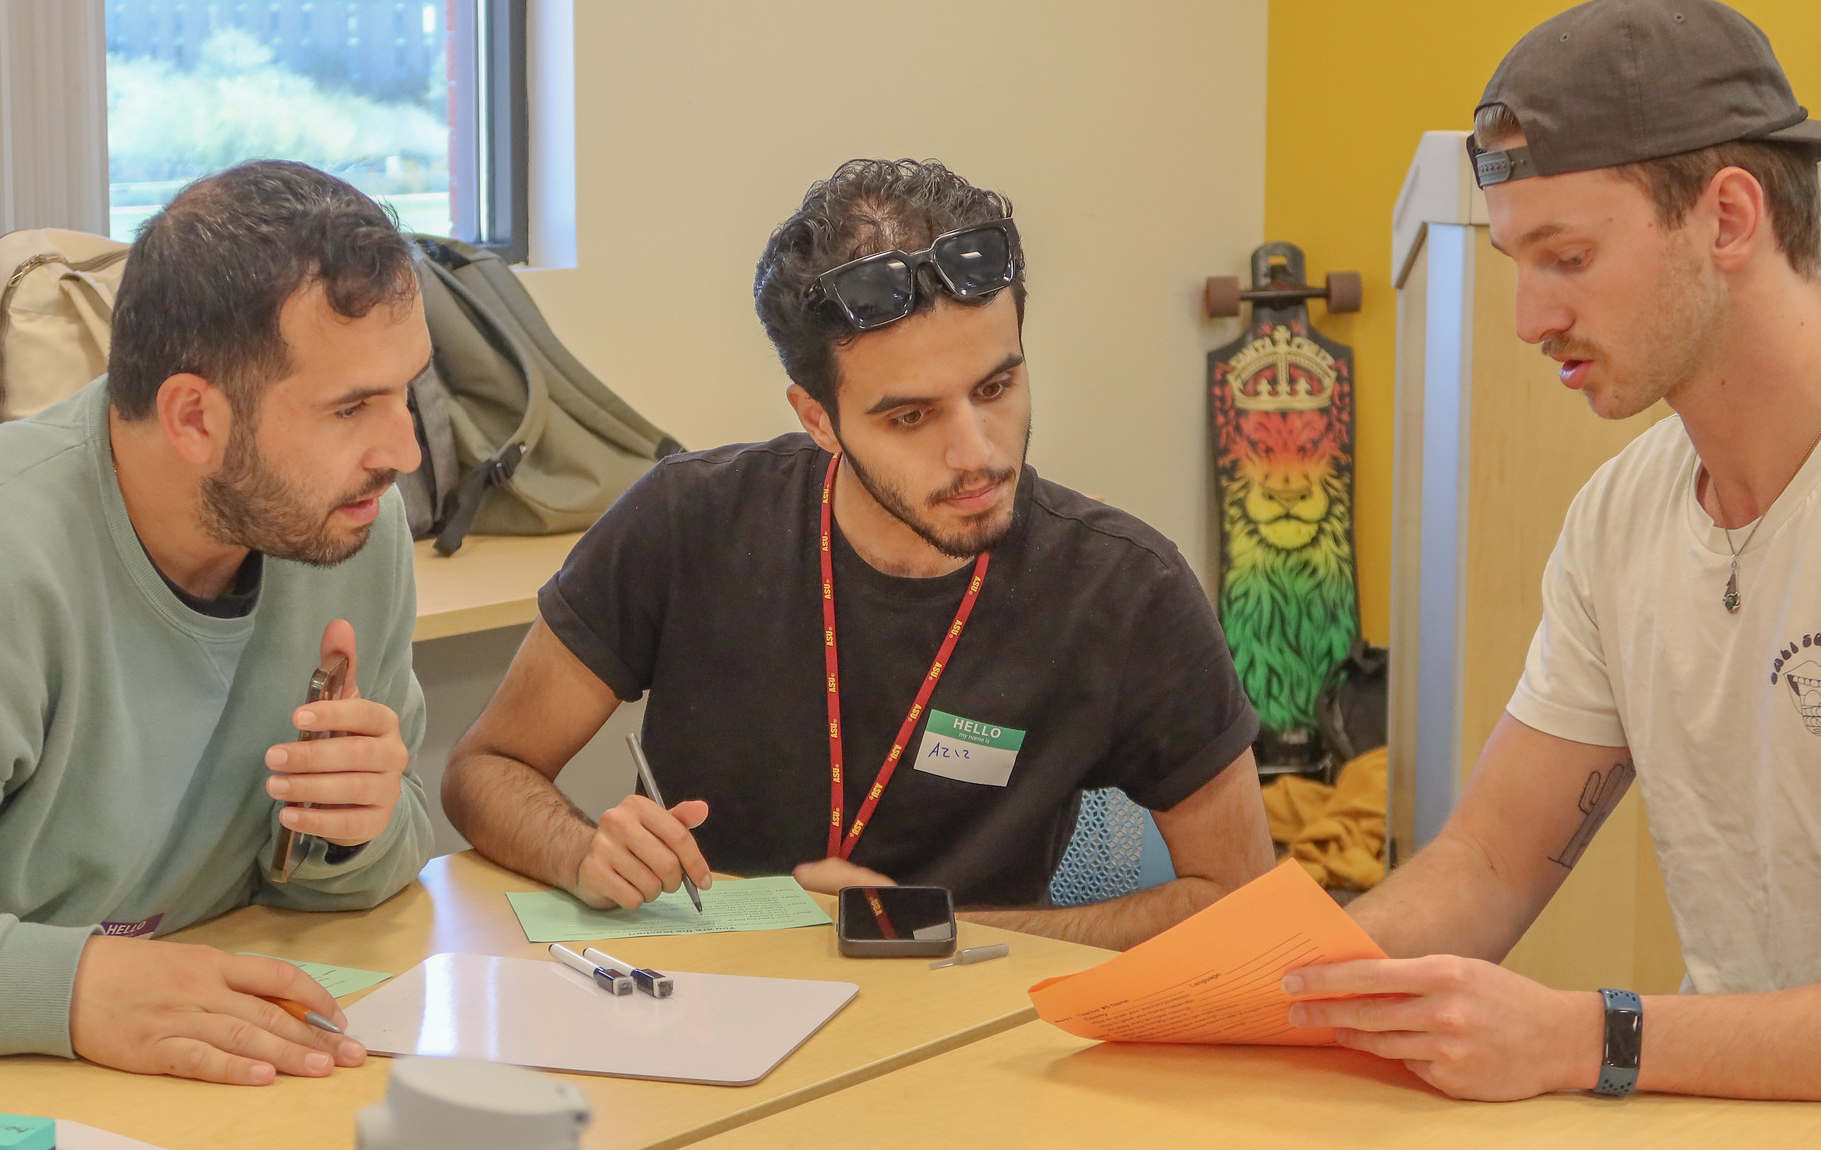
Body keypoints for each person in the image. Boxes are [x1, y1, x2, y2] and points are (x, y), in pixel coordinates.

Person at [1282, 0, 1821, 1107]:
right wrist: (1258, 992)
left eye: (1564, 256)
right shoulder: (1616, 519)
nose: (1525, 317)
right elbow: (1484, 866)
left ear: (1726, 218)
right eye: (1519, 259)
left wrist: (1594, 1038)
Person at [446, 158, 1274, 950]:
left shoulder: (1127, 589)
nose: (976, 454)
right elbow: (487, 769)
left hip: (976, 1030)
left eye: (996, 388)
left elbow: (1238, 900)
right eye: (910, 417)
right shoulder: (687, 520)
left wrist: (928, 929)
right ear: (817, 419)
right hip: (704, 1007)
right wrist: (581, 851)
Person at [0, 160, 434, 1085]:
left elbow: (370, 867)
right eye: (352, 407)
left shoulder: (350, 525)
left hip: (199, 1074)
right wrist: (74, 989)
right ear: (194, 417)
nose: (401, 450)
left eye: (407, 392)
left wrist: (351, 828)